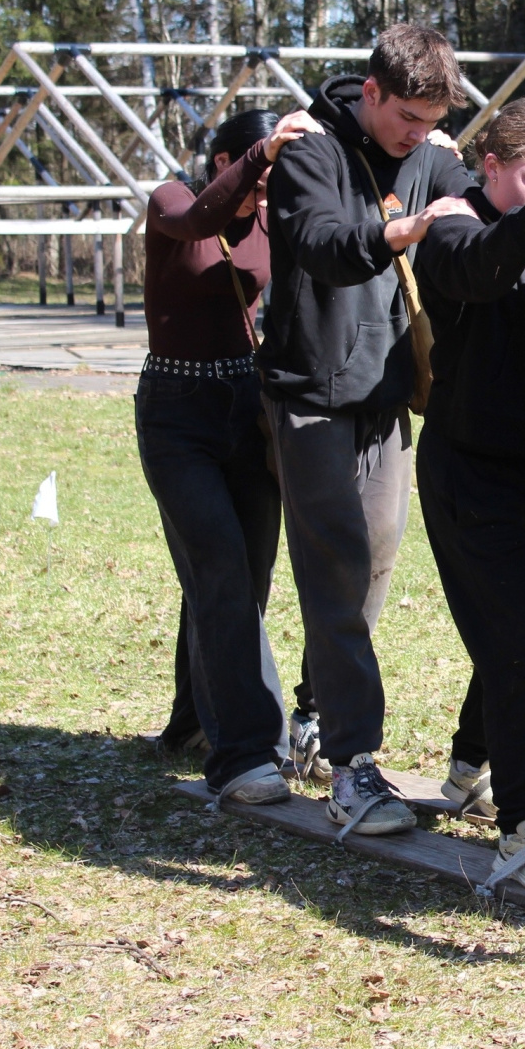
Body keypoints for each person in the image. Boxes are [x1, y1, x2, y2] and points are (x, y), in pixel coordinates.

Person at [261, 23, 480, 837]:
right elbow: (319, 244)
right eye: (406, 118)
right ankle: (354, 766)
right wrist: (402, 231)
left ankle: (314, 714)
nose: (416, 136)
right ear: (372, 91)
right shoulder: (311, 150)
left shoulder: (429, 154)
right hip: (309, 394)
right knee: (336, 566)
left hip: (384, 397)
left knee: (374, 564)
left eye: (431, 123)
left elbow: (481, 202)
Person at [415, 98, 525, 891]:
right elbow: (482, 268)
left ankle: (468, 765)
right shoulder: (453, 224)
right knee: (518, 647)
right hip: (468, 469)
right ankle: (523, 826)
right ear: (490, 168)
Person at [137, 107, 321, 804]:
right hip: (175, 414)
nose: (268, 192)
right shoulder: (171, 200)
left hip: (248, 409)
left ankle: (193, 721)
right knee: (217, 564)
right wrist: (261, 155)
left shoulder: (270, 218)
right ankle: (250, 751)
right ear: (226, 162)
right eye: (262, 175)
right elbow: (195, 223)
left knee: (245, 577)